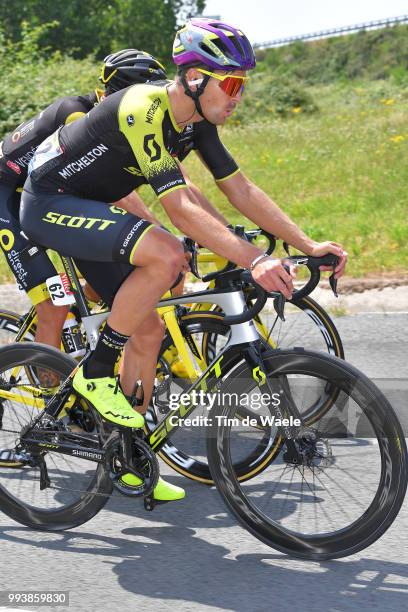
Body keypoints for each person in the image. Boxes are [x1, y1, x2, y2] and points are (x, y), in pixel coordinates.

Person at [20, 18, 347, 501]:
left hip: (92, 208)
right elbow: (179, 208)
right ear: (195, 79)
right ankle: (93, 373)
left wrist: (307, 244)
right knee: (168, 252)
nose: (238, 96)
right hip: (48, 203)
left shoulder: (197, 122)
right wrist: (256, 258)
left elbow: (239, 189)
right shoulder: (143, 107)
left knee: (148, 331)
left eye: (242, 86)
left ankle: (126, 459)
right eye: (231, 83)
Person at [0, 49, 168, 468]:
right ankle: (49, 414)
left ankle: (87, 353)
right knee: (54, 303)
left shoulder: (113, 122)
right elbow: (125, 197)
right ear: (114, 91)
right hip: (8, 198)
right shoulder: (78, 116)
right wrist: (160, 232)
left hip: (44, 199)